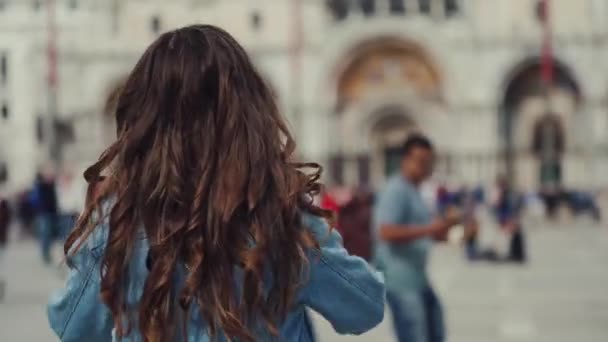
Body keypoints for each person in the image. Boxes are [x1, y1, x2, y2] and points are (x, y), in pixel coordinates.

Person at [47, 25, 384, 342]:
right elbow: (363, 307)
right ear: (250, 114)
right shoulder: (277, 215)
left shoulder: (117, 219)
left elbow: (73, 325)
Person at [374, 134, 460, 342]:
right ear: (405, 160)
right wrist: (431, 228)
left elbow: (423, 233)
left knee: (435, 333)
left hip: (418, 279)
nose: (426, 167)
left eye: (429, 162)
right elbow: (385, 232)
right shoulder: (396, 189)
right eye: (421, 161)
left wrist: (446, 230)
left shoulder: (414, 191)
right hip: (401, 283)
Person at [33, 171, 60, 265]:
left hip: (54, 213)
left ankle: (48, 253)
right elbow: (37, 200)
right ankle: (45, 254)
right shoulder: (40, 186)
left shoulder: (54, 186)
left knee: (50, 234)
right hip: (44, 214)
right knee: (45, 234)